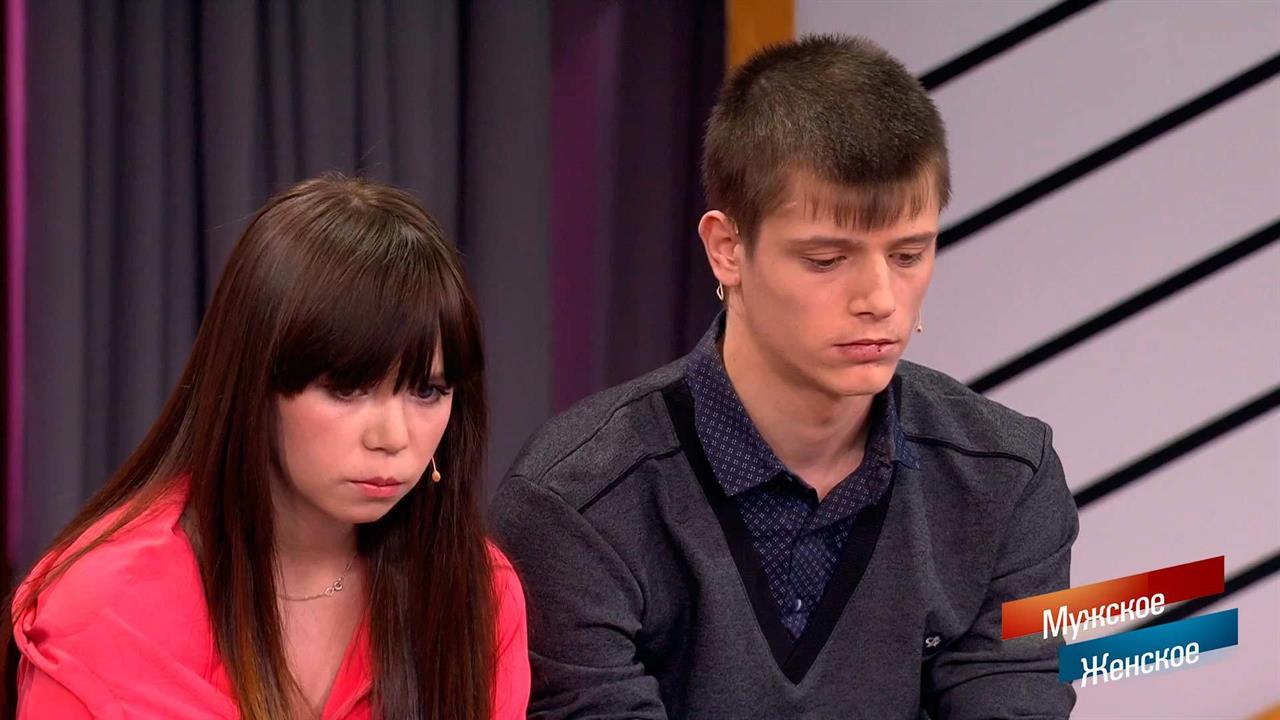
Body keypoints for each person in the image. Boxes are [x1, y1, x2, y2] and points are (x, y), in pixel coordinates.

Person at [490, 35, 1077, 719]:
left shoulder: (1008, 477)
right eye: (827, 260)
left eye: (908, 254)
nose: (879, 299)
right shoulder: (577, 502)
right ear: (727, 248)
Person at [6, 176, 529, 719]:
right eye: (347, 389)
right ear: (255, 385)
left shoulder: (478, 597)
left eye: (427, 391)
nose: (393, 438)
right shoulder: (106, 609)